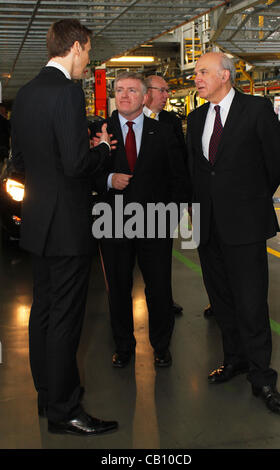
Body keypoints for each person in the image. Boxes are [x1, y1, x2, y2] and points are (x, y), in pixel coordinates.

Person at [11, 19, 118, 436]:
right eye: (88, 52)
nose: (88, 61)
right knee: (66, 320)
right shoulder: (68, 92)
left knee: (44, 312)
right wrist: (104, 150)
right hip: (68, 226)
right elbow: (77, 164)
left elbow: (20, 161)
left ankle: (47, 394)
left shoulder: (27, 94)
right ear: (76, 46)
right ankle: (65, 410)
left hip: (38, 223)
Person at [187, 51, 280, 415]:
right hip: (207, 225)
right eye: (196, 73)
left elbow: (278, 160)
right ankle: (235, 360)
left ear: (225, 75)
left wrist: (251, 199)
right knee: (223, 300)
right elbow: (196, 169)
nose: (196, 78)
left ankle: (262, 376)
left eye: (202, 72)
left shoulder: (256, 110)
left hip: (244, 225)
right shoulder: (196, 117)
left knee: (251, 303)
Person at [94, 72, 190, 369]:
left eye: (132, 90)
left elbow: (179, 178)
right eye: (119, 90)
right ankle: (123, 347)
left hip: (155, 223)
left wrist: (171, 217)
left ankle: (161, 346)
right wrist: (109, 179)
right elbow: (81, 173)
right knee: (118, 289)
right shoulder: (100, 131)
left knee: (159, 288)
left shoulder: (161, 132)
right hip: (112, 222)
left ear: (144, 95)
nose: (124, 95)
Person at [144, 74, 187, 317]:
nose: (166, 95)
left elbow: (180, 162)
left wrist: (181, 201)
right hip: (134, 207)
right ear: (147, 93)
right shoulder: (132, 119)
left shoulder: (170, 121)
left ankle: (164, 302)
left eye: (167, 90)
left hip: (165, 205)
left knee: (162, 259)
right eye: (162, 90)